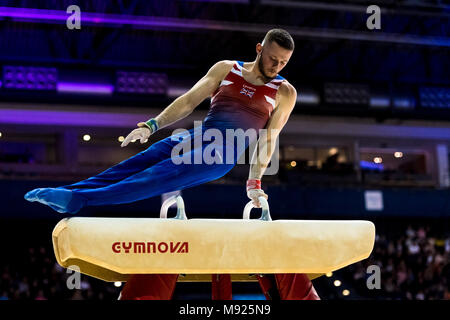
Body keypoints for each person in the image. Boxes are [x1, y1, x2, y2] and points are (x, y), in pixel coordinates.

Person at [25, 28, 320, 300]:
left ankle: (79, 199)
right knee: (138, 162)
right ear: (259, 49)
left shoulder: (285, 92)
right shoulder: (226, 69)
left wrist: (254, 183)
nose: (277, 67)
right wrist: (150, 125)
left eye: (283, 63)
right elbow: (188, 101)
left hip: (222, 152)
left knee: (157, 175)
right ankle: (70, 191)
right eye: (272, 59)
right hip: (198, 135)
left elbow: (269, 139)